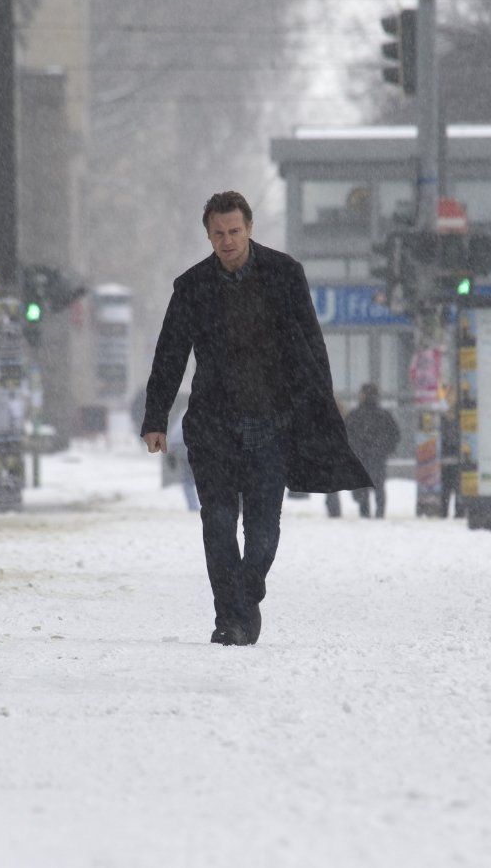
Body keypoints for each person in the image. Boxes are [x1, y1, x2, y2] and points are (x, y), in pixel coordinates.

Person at [140, 190, 371, 646]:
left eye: (234, 231)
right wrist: (155, 417)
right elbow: (170, 354)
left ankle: (247, 596)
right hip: (213, 427)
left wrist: (321, 403)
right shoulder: (192, 286)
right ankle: (230, 619)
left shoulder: (284, 274)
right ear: (208, 234)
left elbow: (311, 344)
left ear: (249, 229)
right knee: (218, 524)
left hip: (273, 425)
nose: (227, 241)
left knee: (263, 533)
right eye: (218, 233)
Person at [343, 383, 400, 519]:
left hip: (360, 457)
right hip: (378, 457)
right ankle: (380, 512)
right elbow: (395, 435)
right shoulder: (384, 415)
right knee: (379, 486)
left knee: (362, 488)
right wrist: (386, 449)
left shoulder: (355, 415)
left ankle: (365, 512)